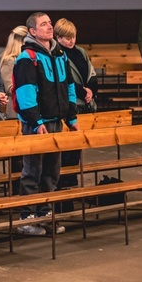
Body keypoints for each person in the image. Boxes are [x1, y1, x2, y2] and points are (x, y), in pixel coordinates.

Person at [13, 12, 78, 236]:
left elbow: (69, 86)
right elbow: (25, 93)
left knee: (52, 172)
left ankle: (44, 214)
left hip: (56, 122)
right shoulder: (27, 58)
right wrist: (35, 120)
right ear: (33, 31)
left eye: (50, 23)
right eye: (43, 24)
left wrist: (71, 117)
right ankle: (27, 218)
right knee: (33, 172)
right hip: (36, 125)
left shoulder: (59, 54)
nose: (49, 27)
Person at [54, 18, 97, 188]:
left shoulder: (81, 52)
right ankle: (63, 185)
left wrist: (91, 90)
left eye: (73, 37)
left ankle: (72, 182)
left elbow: (91, 73)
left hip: (85, 103)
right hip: (71, 105)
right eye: (67, 37)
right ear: (58, 37)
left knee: (77, 149)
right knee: (66, 150)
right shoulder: (57, 54)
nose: (71, 40)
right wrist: (82, 91)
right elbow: (64, 80)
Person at [0, 25, 29, 120]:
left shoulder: (27, 59)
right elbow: (10, 88)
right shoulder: (9, 60)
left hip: (28, 108)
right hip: (16, 112)